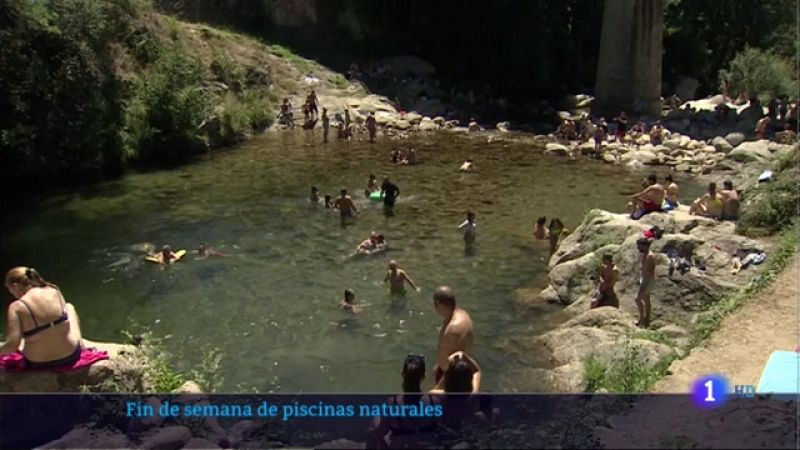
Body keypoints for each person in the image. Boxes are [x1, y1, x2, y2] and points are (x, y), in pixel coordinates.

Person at [1, 267, 84, 368]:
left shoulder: (17, 306)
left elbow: (13, 345)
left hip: (37, 362)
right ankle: (81, 343)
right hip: (69, 355)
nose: (13, 295)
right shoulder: (54, 290)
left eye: (11, 291)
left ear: (15, 286)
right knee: (69, 307)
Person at [367, 354, 438, 449]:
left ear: (402, 373)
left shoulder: (392, 403)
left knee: (376, 422)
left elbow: (380, 432)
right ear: (424, 376)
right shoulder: (434, 401)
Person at [432, 286, 474, 385]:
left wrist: (437, 388)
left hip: (453, 380)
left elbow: (446, 365)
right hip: (465, 370)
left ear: (438, 303)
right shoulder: (463, 315)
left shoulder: (452, 329)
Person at [635, 238, 656, 328]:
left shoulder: (650, 256)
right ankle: (647, 319)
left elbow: (651, 270)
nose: (638, 248)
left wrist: (645, 283)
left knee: (637, 299)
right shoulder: (645, 255)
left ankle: (642, 319)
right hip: (644, 279)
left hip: (647, 280)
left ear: (644, 246)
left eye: (639, 246)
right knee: (646, 299)